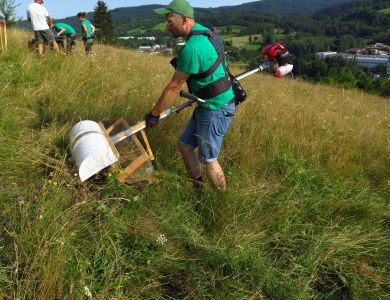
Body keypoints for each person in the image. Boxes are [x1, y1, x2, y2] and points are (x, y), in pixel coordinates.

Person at [145, 0, 236, 192]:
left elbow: (174, 87)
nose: (166, 26)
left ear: (184, 19)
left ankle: (221, 200)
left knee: (210, 160)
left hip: (215, 108)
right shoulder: (206, 32)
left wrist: (154, 114)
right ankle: (198, 189)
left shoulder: (192, 48)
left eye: (170, 21)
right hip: (208, 103)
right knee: (185, 145)